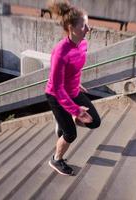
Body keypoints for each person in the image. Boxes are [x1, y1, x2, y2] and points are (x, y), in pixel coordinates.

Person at [45, 0, 101, 176]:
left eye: (87, 24)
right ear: (71, 27)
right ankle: (56, 159)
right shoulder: (60, 52)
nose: (88, 29)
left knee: (95, 122)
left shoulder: (83, 43)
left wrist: (76, 83)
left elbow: (75, 69)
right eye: (83, 25)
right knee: (70, 134)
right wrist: (76, 110)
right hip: (56, 95)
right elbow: (57, 87)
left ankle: (63, 120)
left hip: (73, 90)